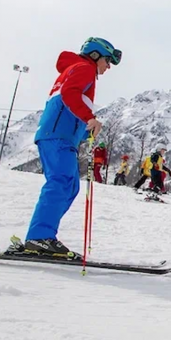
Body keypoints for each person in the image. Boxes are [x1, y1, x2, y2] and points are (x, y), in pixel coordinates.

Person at [23, 37, 120, 257]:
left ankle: (42, 236)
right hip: (58, 136)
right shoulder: (84, 68)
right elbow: (69, 95)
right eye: (107, 60)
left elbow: (67, 105)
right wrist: (90, 117)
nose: (108, 67)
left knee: (70, 186)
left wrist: (85, 130)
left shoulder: (77, 69)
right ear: (95, 56)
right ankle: (39, 238)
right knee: (61, 182)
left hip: (60, 136)